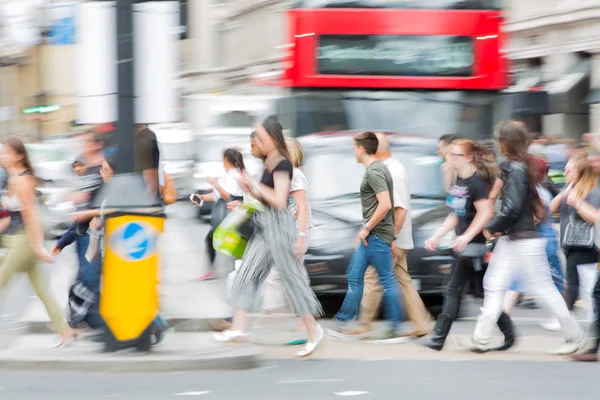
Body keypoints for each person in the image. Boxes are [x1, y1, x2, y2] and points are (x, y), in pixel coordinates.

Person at [457, 120, 585, 355]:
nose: (497, 143)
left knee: (541, 289)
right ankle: (480, 338)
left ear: (507, 142)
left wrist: (491, 227)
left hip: (522, 240)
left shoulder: (516, 168)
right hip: (516, 238)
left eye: (499, 139)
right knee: (496, 285)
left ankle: (575, 336)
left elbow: (513, 207)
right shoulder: (517, 166)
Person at [215, 116, 325, 359]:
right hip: (264, 226)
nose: (258, 142)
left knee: (292, 282)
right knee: (246, 275)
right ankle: (239, 329)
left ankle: (313, 331)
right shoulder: (269, 163)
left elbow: (279, 200)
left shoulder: (283, 164)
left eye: (261, 138)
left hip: (279, 227)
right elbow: (266, 199)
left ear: (273, 139)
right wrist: (250, 188)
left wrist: (254, 185)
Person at [346, 133, 431, 339]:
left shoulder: (392, 171)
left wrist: (389, 239)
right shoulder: (387, 169)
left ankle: (364, 324)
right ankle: (421, 323)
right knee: (403, 280)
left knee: (372, 278)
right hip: (395, 237)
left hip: (392, 238)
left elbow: (399, 209)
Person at [421, 139, 497, 351]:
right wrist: (436, 236)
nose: (450, 158)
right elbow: (456, 214)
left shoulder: (477, 183)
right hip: (464, 247)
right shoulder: (460, 182)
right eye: (450, 154)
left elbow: (486, 212)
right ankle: (509, 334)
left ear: (468, 157)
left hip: (474, 248)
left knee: (452, 289)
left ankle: (438, 338)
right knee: (482, 293)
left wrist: (467, 236)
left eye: (455, 155)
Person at [329, 131, 405, 340]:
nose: (353, 152)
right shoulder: (378, 168)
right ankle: (342, 322)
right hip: (375, 235)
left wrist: (367, 228)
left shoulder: (374, 171)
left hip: (375, 235)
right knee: (357, 277)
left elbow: (386, 204)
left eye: (354, 147)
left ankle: (394, 326)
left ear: (361, 149)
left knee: (385, 281)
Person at [0, 137, 75, 346]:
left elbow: (32, 217)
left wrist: (37, 246)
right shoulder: (12, 179)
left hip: (24, 242)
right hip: (16, 240)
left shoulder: (22, 181)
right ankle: (66, 333)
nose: (2, 155)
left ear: (18, 156)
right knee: (43, 291)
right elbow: (8, 218)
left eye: (5, 152)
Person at [259, 138, 313, 345]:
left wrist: (299, 237)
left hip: (295, 233)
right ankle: (300, 326)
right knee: (291, 278)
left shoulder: (295, 175)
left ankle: (268, 321)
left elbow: (302, 208)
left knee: (283, 278)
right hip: (288, 232)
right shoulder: (288, 174)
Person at [501, 157, 565, 329]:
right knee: (550, 280)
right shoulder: (538, 191)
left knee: (528, 278)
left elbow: (537, 216)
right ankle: (504, 313)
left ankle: (504, 313)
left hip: (537, 239)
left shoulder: (535, 191)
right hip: (542, 239)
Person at [549, 152, 600, 317]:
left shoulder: (592, 191)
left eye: (568, 170)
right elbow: (550, 209)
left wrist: (577, 203)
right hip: (570, 243)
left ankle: (566, 316)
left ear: (580, 172)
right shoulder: (569, 187)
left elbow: (595, 217)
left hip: (586, 245)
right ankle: (582, 317)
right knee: (581, 284)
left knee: (575, 283)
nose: (564, 173)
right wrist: (561, 196)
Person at [193, 148, 246, 280]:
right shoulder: (228, 176)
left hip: (233, 215)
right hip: (228, 216)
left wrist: (215, 184)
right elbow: (217, 196)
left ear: (226, 160)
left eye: (223, 160)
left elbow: (227, 196)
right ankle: (229, 272)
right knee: (214, 240)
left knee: (231, 243)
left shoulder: (234, 176)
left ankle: (237, 273)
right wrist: (202, 197)